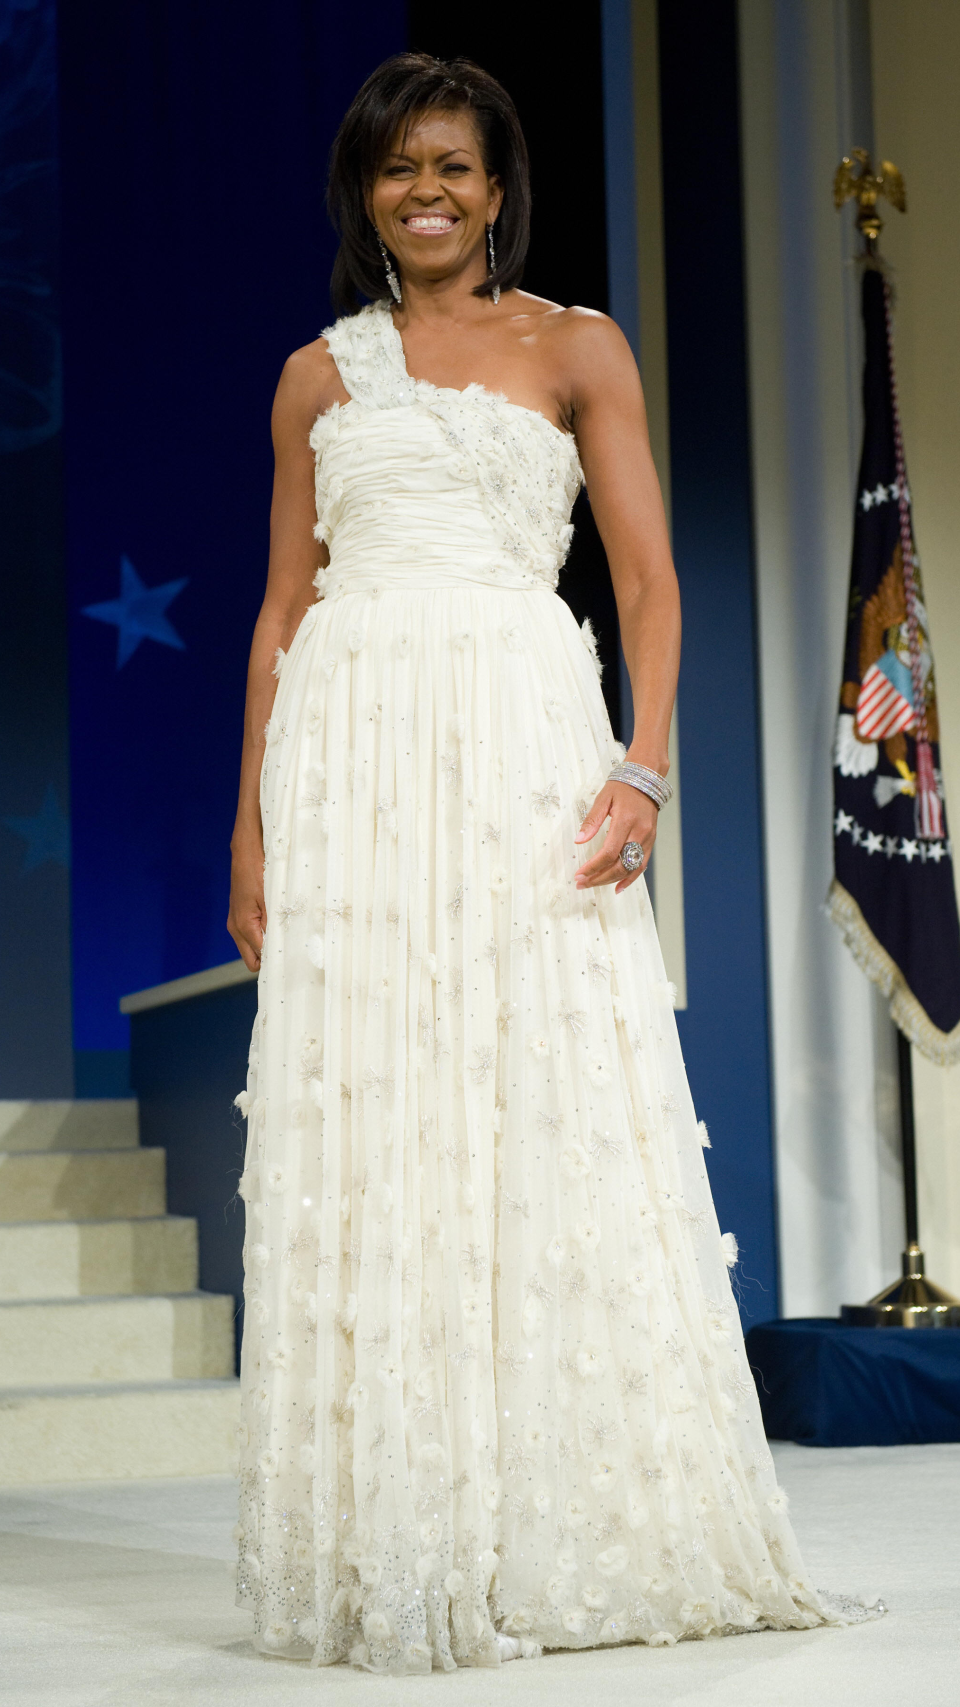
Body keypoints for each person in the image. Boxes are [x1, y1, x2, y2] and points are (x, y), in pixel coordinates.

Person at [228, 52, 872, 1674]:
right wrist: (250, 823)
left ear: (498, 186)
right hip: (356, 767)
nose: (425, 192)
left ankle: (563, 1514)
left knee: (541, 1099)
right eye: (396, 169)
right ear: (364, 192)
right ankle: (400, 1530)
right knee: (382, 1119)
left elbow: (648, 583)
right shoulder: (318, 375)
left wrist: (643, 768)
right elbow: (280, 615)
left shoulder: (577, 345)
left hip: (525, 741)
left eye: (452, 165)